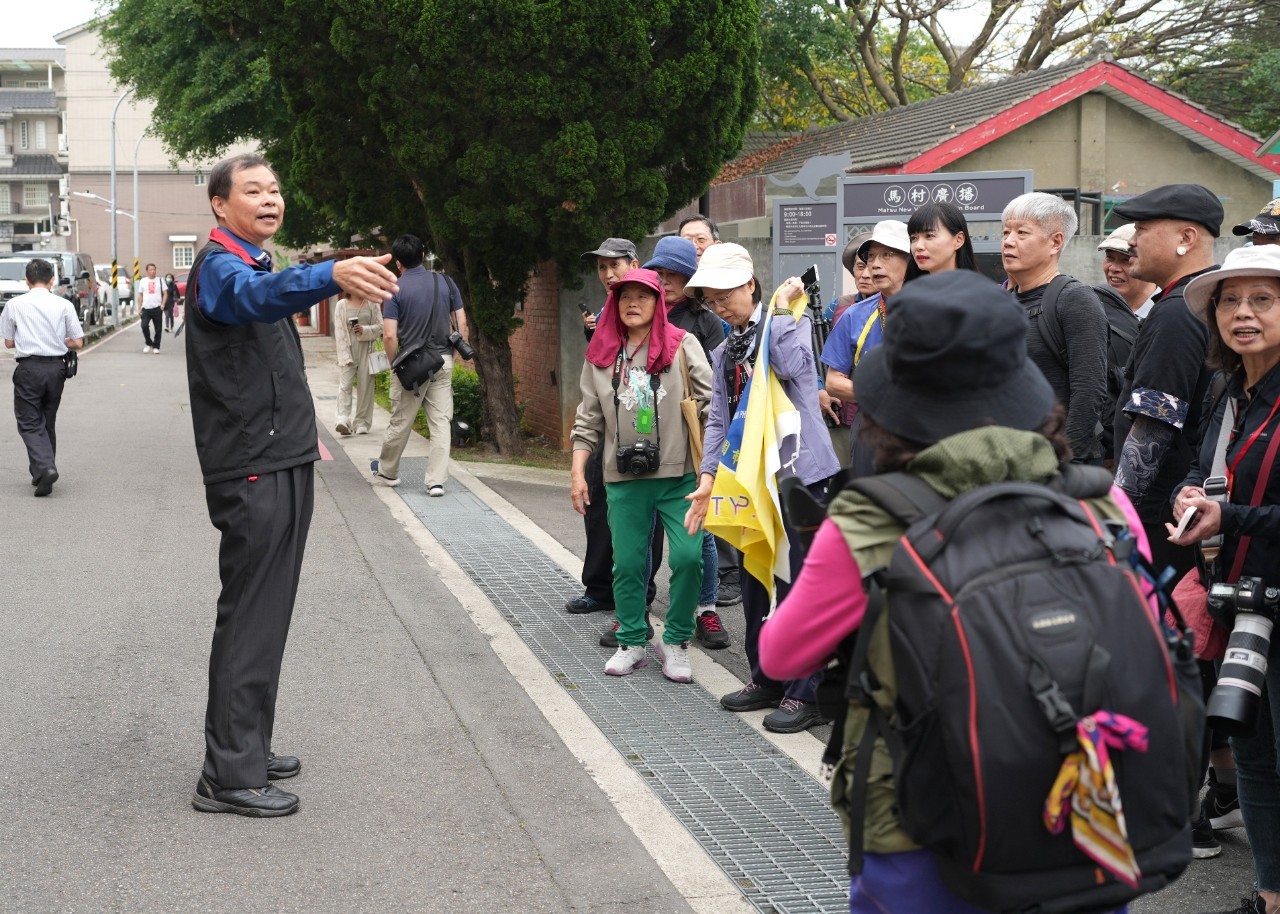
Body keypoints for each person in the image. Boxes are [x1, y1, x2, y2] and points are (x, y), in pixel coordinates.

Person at [759, 270, 1148, 913]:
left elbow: (780, 657)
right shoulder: (1102, 504)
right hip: (1086, 817)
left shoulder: (868, 519)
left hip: (923, 827)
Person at [185, 152, 398, 817]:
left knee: (266, 613)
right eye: (253, 190)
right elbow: (252, 301)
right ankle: (228, 774)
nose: (269, 199)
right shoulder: (223, 270)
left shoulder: (254, 263)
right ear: (221, 205)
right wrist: (327, 274)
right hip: (252, 464)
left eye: (274, 188)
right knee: (251, 613)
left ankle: (244, 744)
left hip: (279, 457)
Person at [683, 243, 841, 733]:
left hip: (799, 475)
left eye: (726, 293)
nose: (720, 305)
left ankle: (806, 690)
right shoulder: (722, 348)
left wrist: (783, 314)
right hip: (750, 480)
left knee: (799, 582)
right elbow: (718, 422)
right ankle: (767, 676)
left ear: (751, 284)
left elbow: (796, 368)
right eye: (711, 299)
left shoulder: (784, 326)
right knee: (756, 576)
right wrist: (708, 476)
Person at [1170, 244, 1280, 914]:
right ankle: (1269, 896)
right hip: (1245, 605)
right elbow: (1209, 469)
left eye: (1262, 300)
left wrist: (1228, 515)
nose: (1242, 314)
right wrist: (1193, 495)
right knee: (1257, 758)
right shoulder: (1230, 390)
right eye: (1230, 302)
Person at [569, 268, 712, 681]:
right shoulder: (600, 354)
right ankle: (632, 640)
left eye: (643, 296)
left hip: (680, 475)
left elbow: (710, 404)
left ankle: (678, 639)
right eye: (624, 296)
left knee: (687, 559)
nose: (632, 303)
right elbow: (587, 420)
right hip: (622, 477)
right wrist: (578, 473)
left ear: (658, 303)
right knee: (628, 563)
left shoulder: (683, 345)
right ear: (614, 303)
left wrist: (710, 465)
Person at [1112, 183, 1222, 578]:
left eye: (1141, 229)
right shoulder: (1208, 298)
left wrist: (1117, 514)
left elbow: (1156, 422)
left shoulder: (1178, 312)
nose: (1131, 241)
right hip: (1183, 507)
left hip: (1159, 517)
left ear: (1186, 238)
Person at [567, 237, 663, 623]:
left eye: (615, 265)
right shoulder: (608, 312)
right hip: (605, 431)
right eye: (602, 268)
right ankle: (599, 589)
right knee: (598, 508)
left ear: (635, 264)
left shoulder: (653, 310)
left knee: (644, 519)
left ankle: (641, 595)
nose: (608, 274)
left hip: (646, 433)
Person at [643, 235, 728, 649]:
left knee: (700, 531)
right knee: (641, 529)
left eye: (674, 273)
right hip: (646, 438)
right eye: (658, 272)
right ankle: (637, 611)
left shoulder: (707, 321)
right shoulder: (638, 315)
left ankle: (705, 611)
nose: (665, 280)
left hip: (692, 440)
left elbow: (720, 383)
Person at [1002, 191, 1110, 463]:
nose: (1008, 242)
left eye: (1022, 233)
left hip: (1054, 463)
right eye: (1005, 232)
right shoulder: (1003, 302)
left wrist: (1064, 460)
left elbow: (1089, 390)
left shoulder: (1074, 299)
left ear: (1055, 242)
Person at [820, 220, 921, 476]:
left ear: (910, 260)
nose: (875, 264)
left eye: (887, 255)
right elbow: (833, 382)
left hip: (924, 424)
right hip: (870, 426)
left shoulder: (936, 309)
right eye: (871, 256)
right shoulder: (854, 315)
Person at [369, 235, 467, 496]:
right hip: (442, 360)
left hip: (411, 366)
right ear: (423, 255)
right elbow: (461, 324)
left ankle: (388, 471)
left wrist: (394, 365)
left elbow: (389, 335)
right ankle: (436, 481)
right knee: (440, 423)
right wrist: (451, 356)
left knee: (401, 420)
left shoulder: (394, 289)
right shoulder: (446, 282)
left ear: (398, 263)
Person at [0, 258, 83, 497]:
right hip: (56, 369)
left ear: (26, 280)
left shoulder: (14, 305)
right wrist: (58, 341)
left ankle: (46, 468)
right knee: (47, 420)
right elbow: (77, 341)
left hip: (29, 368)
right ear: (52, 280)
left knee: (29, 422)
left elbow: (8, 342)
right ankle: (42, 473)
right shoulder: (64, 304)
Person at [820, 231, 874, 463]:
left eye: (871, 266)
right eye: (859, 267)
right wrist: (819, 388)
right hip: (843, 414)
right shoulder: (840, 306)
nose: (865, 274)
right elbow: (816, 352)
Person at [333, 295, 384, 436]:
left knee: (366, 386)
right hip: (347, 349)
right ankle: (342, 419)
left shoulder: (372, 303)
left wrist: (364, 330)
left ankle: (362, 422)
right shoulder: (341, 305)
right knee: (345, 386)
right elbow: (339, 332)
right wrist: (344, 355)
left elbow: (381, 327)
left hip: (367, 350)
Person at [1098, 224, 1158, 318]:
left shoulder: (1171, 311)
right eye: (1109, 257)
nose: (1113, 268)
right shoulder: (1096, 309)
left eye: (1126, 260)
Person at [907, 201, 978, 273]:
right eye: (914, 238)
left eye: (929, 236)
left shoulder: (979, 284)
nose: (918, 246)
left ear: (959, 240)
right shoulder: (909, 284)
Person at [137, 262, 166, 353]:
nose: (153, 271)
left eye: (154, 269)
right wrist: (139, 307)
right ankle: (148, 343)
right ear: (147, 271)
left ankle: (156, 346)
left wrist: (163, 305)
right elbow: (140, 295)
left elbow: (165, 293)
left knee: (158, 329)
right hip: (146, 308)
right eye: (150, 270)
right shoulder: (143, 281)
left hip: (157, 308)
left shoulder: (160, 280)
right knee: (144, 326)